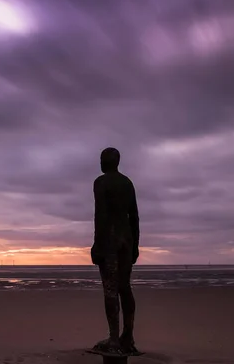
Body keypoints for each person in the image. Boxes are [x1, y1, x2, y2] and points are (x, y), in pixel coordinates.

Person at [91, 147, 140, 355]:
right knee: (124, 287)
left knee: (111, 289)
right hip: (126, 240)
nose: (100, 163)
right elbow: (134, 217)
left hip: (110, 240)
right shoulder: (127, 183)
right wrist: (136, 244)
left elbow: (100, 215)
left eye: (102, 159)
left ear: (106, 162)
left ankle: (114, 339)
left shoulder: (101, 182)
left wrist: (97, 244)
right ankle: (127, 336)